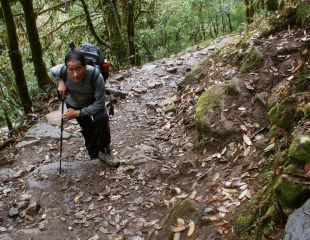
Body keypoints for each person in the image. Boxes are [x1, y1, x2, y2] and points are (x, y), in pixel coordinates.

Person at [50, 50, 120, 168]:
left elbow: (99, 104)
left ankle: (104, 151)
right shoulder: (62, 70)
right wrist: (61, 81)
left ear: (85, 66)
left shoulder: (95, 75)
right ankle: (93, 154)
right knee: (87, 128)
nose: (75, 74)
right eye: (71, 70)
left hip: (92, 101)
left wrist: (78, 113)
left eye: (79, 68)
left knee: (101, 118)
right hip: (74, 103)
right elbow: (53, 71)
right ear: (66, 68)